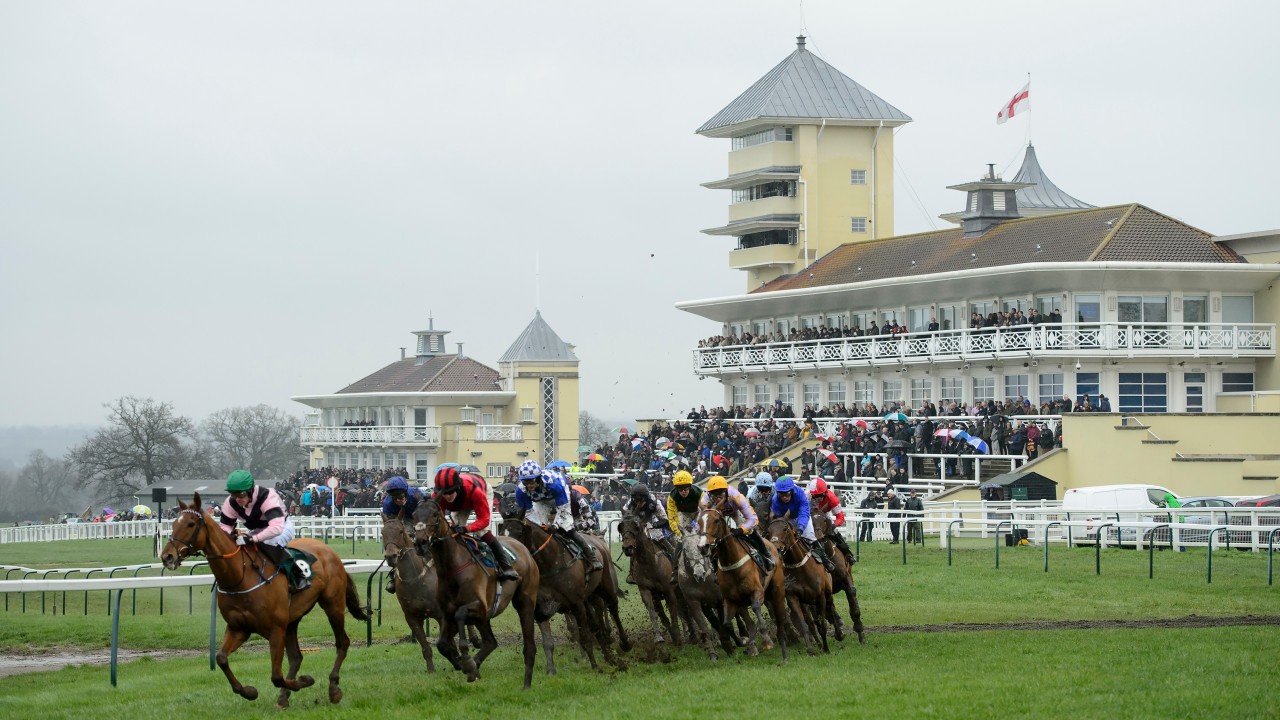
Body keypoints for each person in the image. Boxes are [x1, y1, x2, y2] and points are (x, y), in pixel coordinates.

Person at [219, 470, 310, 592]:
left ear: (250, 490)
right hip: (259, 530)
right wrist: (231, 535)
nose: (237, 499)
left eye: (241, 494)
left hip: (281, 527)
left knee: (269, 544)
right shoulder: (230, 502)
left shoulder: (267, 496)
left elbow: (276, 528)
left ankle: (298, 575)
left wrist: (252, 539)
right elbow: (225, 527)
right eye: (233, 494)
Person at [514, 461, 602, 572]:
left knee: (567, 526)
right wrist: (540, 525)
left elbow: (563, 509)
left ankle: (592, 558)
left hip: (561, 494)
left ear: (538, 478)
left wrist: (555, 525)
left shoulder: (553, 484)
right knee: (536, 529)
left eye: (531, 481)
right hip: (541, 500)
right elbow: (529, 513)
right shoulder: (520, 491)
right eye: (525, 482)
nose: (529, 485)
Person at [434, 466, 518, 581]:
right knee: (452, 530)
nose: (447, 496)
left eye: (450, 492)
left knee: (481, 531)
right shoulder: (437, 496)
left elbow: (484, 520)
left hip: (480, 491)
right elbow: (440, 519)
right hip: (462, 501)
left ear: (457, 488)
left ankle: (506, 567)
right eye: (444, 493)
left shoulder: (475, 491)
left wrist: (466, 529)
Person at [699, 475, 772, 573]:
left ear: (726, 491)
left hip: (735, 512)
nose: (718, 498)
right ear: (709, 494)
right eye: (714, 495)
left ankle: (766, 555)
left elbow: (753, 519)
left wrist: (741, 529)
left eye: (720, 494)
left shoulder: (736, 496)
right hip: (716, 515)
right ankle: (711, 563)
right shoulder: (706, 499)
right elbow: (700, 519)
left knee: (750, 531)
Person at [771, 477, 834, 569]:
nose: (784, 497)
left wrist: (800, 528)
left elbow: (804, 513)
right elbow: (778, 518)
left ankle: (826, 561)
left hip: (802, 516)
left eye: (787, 494)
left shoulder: (800, 494)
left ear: (792, 491)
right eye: (781, 494)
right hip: (788, 518)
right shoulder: (775, 500)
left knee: (810, 537)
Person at [624, 483, 677, 584]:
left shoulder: (654, 502)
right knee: (632, 545)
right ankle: (631, 573)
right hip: (636, 523)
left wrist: (654, 525)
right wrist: (637, 509)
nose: (638, 502)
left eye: (641, 500)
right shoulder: (629, 504)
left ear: (645, 497)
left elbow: (664, 519)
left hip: (651, 521)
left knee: (661, 538)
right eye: (636, 500)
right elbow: (626, 518)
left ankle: (675, 567)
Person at [380, 475, 425, 593]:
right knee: (397, 543)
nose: (398, 500)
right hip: (400, 519)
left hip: (420, 516)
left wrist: (419, 530)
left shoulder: (416, 493)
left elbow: (426, 511)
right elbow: (390, 526)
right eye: (394, 498)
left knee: (426, 538)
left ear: (405, 492)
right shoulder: (388, 504)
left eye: (400, 496)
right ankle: (394, 574)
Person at [808, 478, 855, 565]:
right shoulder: (807, 496)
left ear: (825, 492)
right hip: (811, 516)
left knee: (835, 532)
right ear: (812, 495)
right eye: (816, 496)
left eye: (821, 495)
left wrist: (834, 525)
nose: (819, 498)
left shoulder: (832, 498)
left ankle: (848, 553)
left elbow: (840, 517)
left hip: (825, 515)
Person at [665, 470, 702, 537]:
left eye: (686, 489)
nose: (683, 492)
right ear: (676, 488)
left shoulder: (698, 492)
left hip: (698, 512)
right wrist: (680, 534)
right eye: (680, 490)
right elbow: (672, 518)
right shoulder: (672, 496)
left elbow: (706, 511)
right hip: (683, 514)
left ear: (690, 486)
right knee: (684, 535)